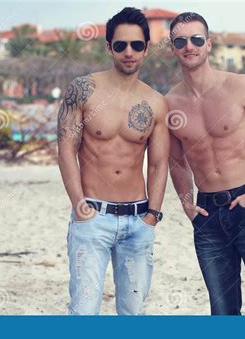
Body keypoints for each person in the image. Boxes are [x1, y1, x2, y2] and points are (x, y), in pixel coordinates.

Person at [166, 12, 245, 315]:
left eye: (197, 39)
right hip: (207, 215)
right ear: (172, 48)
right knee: (223, 312)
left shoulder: (242, 87)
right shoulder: (169, 103)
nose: (189, 46)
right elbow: (175, 160)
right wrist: (186, 203)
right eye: (180, 41)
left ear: (208, 44)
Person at [57, 7, 169, 315]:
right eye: (120, 45)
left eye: (136, 45)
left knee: (133, 314)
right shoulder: (82, 90)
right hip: (93, 216)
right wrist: (79, 205)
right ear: (109, 48)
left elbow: (160, 163)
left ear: (146, 48)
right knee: (84, 311)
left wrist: (153, 215)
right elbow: (66, 148)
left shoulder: (156, 102)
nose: (128, 52)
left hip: (138, 219)